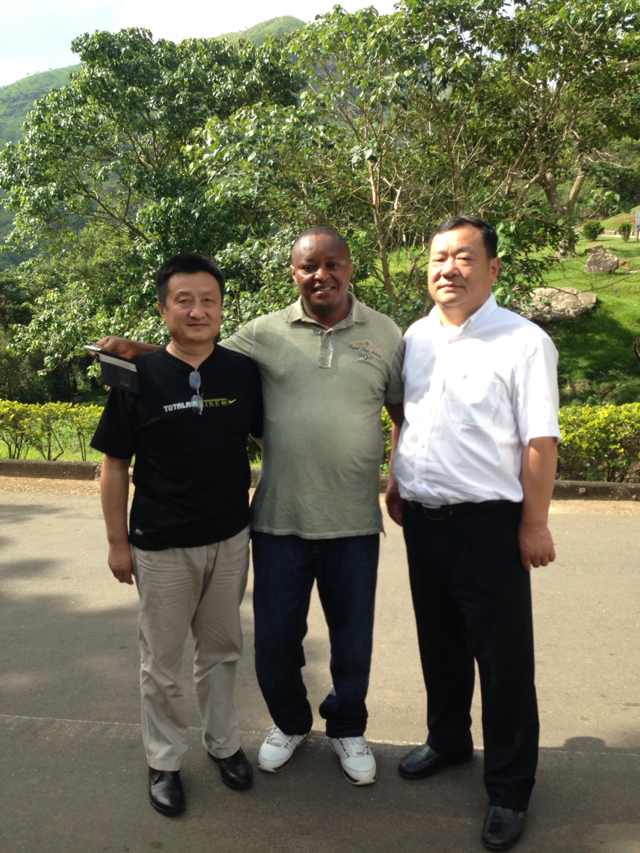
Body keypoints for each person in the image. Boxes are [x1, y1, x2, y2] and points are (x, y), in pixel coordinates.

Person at [98, 227, 404, 787]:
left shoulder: (385, 332)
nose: (322, 275)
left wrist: (400, 477)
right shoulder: (263, 333)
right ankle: (285, 724)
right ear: (294, 272)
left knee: (348, 639)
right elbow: (191, 356)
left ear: (350, 267)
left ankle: (345, 728)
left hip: (350, 520)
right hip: (274, 521)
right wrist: (136, 351)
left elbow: (402, 412)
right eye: (309, 266)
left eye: (333, 264)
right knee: (272, 642)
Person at [385, 216, 559, 852]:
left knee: (503, 660)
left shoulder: (524, 342)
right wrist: (397, 477)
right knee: (440, 643)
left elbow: (540, 440)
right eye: (438, 258)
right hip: (423, 519)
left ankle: (510, 788)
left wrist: (534, 523)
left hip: (489, 525)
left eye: (463, 257)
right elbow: (407, 416)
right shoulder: (416, 336)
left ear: (492, 268)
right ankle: (449, 740)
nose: (448, 269)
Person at [91, 253, 263, 817]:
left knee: (222, 651)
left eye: (208, 300)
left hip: (229, 539)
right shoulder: (138, 378)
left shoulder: (242, 373)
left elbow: (270, 440)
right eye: (184, 300)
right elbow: (115, 465)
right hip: (160, 544)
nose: (197, 311)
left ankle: (224, 744)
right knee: (161, 662)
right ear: (164, 309)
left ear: (221, 308)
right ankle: (163, 760)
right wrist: (117, 542)